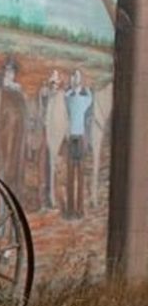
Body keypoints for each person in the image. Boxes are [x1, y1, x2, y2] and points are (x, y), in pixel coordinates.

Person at [64, 69, 92, 218]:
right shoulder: (69, 98)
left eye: (78, 77)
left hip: (79, 138)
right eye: (74, 76)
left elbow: (90, 98)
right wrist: (72, 88)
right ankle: (70, 210)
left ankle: (80, 210)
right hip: (71, 138)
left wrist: (84, 89)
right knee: (70, 175)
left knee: (80, 175)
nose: (76, 79)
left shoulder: (84, 99)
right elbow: (65, 96)